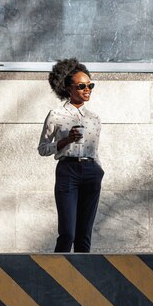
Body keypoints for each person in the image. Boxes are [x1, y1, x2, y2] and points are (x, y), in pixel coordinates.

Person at [38, 58, 104, 252]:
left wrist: (99, 170)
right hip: (68, 171)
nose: (87, 89)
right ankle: (58, 276)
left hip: (91, 171)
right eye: (81, 86)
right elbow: (43, 148)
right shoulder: (56, 114)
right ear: (68, 89)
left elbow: (95, 149)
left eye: (90, 85)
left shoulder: (94, 118)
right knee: (68, 233)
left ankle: (83, 281)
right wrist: (66, 140)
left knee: (84, 235)